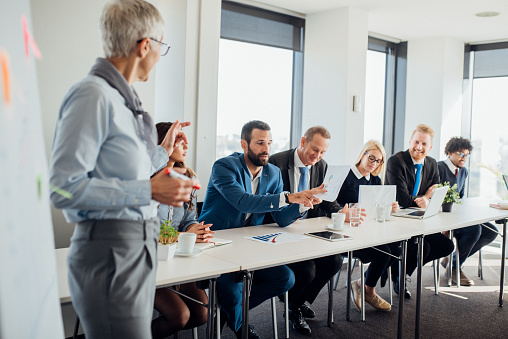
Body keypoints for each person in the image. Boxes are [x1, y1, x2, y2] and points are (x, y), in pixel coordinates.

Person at [48, 1, 197, 338]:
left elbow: (125, 172)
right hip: (109, 254)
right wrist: (149, 190)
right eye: (162, 47)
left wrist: (163, 153)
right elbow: (62, 187)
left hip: (135, 250)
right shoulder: (92, 96)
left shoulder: (123, 101)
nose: (160, 57)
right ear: (145, 46)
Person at [199, 120, 326, 339]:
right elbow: (243, 201)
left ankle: (230, 313)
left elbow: (282, 219)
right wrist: (287, 197)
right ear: (244, 144)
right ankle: (240, 325)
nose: (266, 149)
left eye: (269, 143)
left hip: (249, 245)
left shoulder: (273, 173)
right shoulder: (224, 167)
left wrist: (303, 203)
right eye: (259, 143)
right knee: (231, 289)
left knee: (286, 278)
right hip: (216, 242)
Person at [268, 126, 343, 334]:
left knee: (335, 260)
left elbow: (328, 201)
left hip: (306, 233)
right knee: (307, 270)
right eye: (315, 150)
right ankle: (294, 306)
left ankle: (297, 303)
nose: (317, 156)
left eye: (322, 152)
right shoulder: (276, 163)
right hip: (277, 230)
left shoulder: (322, 166)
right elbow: (269, 205)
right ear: (303, 142)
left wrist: (341, 212)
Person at [151, 122, 214, 338]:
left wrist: (194, 228)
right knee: (180, 316)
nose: (186, 146)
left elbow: (189, 218)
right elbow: (145, 231)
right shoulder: (147, 179)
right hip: (148, 262)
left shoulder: (188, 176)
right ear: (163, 142)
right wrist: (183, 235)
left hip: (176, 257)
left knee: (202, 314)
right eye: (180, 140)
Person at [386, 124, 454, 299]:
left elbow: (436, 193)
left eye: (424, 144)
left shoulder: (431, 164)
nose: (419, 147)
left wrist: (428, 199)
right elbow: (402, 199)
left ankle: (404, 272)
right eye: (416, 142)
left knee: (446, 245)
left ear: (430, 147)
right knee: (423, 247)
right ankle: (398, 274)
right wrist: (425, 196)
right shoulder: (396, 161)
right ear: (410, 141)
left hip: (419, 220)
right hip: (397, 219)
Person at [336, 140, 400, 312]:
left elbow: (376, 207)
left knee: (397, 249)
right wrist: (344, 211)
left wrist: (390, 207)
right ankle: (369, 291)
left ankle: (361, 283)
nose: (374, 163)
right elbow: (331, 204)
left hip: (369, 231)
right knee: (384, 253)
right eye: (371, 158)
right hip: (347, 233)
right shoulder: (345, 175)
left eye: (378, 160)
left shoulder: (375, 180)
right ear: (362, 154)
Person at [438, 137, 498, 286]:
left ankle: (452, 260)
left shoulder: (463, 172)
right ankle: (453, 267)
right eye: (461, 154)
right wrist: (444, 226)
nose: (464, 158)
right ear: (450, 152)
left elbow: (461, 199)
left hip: (457, 218)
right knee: (475, 230)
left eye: (466, 155)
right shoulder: (438, 168)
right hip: (442, 219)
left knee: (491, 231)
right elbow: (434, 199)